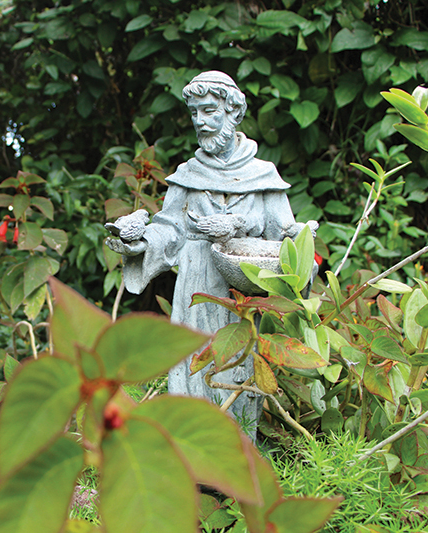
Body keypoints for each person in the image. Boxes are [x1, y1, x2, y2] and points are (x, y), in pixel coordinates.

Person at [106, 71, 309, 428]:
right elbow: (169, 230)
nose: (201, 121)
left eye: (209, 111)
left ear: (233, 112)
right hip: (194, 293)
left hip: (241, 295)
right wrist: (137, 242)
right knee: (190, 367)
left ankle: (236, 457)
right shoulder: (189, 173)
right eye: (195, 113)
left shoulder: (263, 175)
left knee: (238, 366)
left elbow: (288, 241)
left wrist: (258, 231)